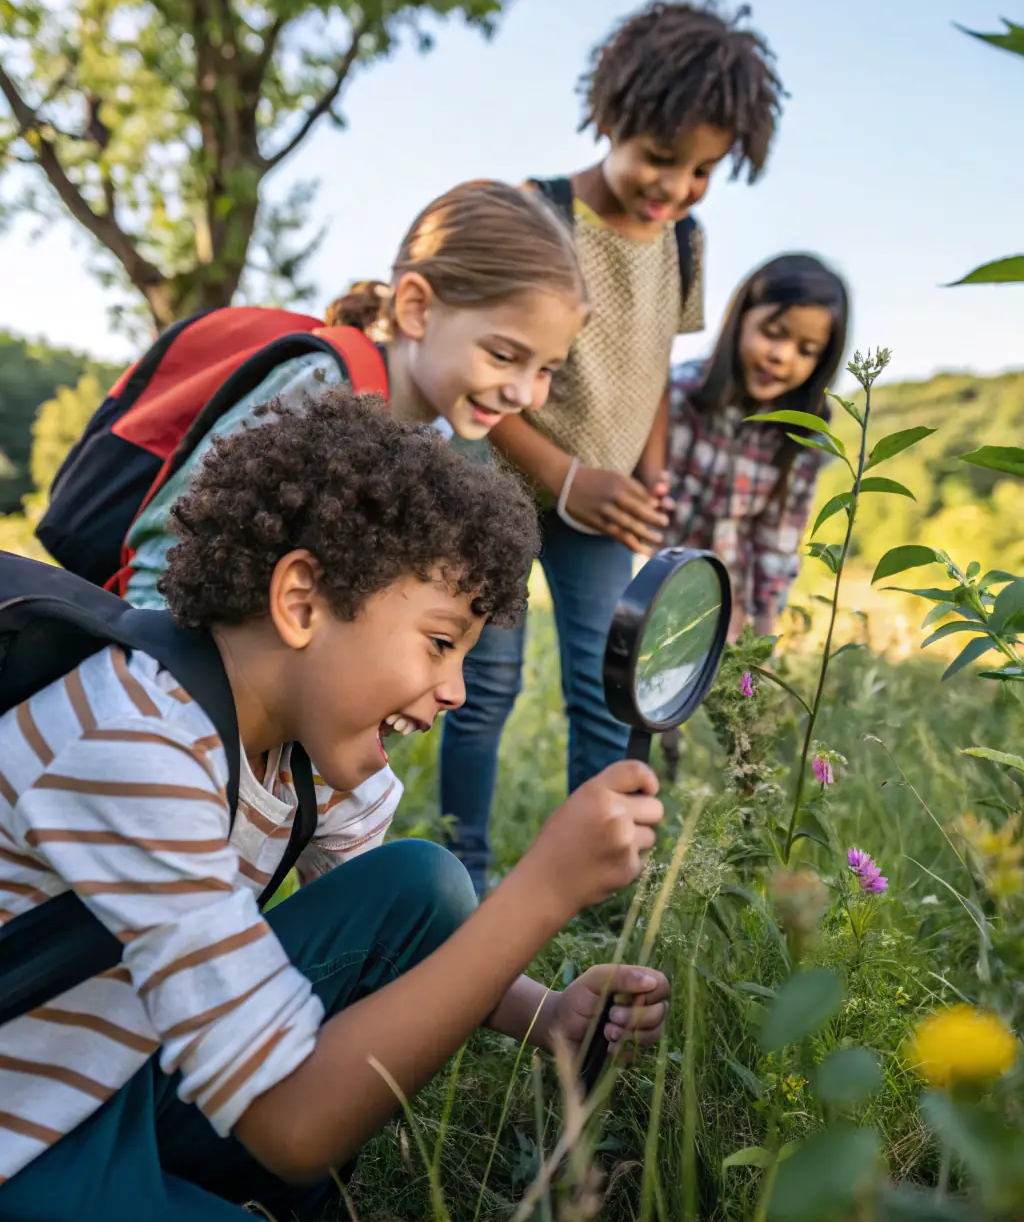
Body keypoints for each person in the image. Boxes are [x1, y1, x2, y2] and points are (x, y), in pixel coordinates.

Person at [0, 392, 668, 1220]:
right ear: (302, 601)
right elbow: (294, 1124)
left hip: (121, 1060)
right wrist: (544, 889)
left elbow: (414, 949)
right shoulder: (134, 747)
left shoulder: (313, 760)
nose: (456, 689)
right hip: (25, 1128)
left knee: (421, 885)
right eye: (438, 641)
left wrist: (549, 1014)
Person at [440, 0, 785, 892]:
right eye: (662, 159)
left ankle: (594, 883)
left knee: (611, 691)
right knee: (485, 687)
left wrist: (652, 476)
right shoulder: (539, 214)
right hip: (504, 485)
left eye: (704, 171)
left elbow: (655, 368)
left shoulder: (686, 243)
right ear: (613, 115)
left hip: (605, 511)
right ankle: (460, 874)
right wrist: (565, 478)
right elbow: (482, 383)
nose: (675, 188)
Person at [124, 179, 587, 611]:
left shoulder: (460, 436)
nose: (526, 395)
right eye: (503, 356)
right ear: (417, 309)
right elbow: (166, 549)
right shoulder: (318, 388)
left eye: (546, 369)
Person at [665, 252, 851, 639]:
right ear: (740, 318)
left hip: (732, 610)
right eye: (774, 332)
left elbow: (777, 545)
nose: (782, 356)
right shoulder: (681, 396)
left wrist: (762, 638)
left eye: (807, 350)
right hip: (658, 587)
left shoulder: (803, 440)